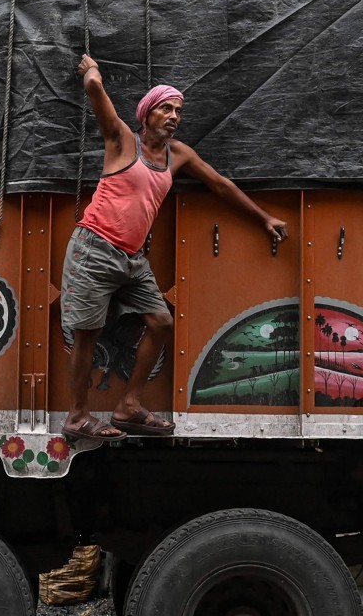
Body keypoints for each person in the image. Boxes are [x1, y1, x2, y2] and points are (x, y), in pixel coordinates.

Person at [61, 53, 288, 441]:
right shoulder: (120, 139)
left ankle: (128, 406)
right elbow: (95, 88)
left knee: (161, 322)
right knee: (87, 333)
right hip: (94, 249)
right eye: (165, 108)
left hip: (132, 259)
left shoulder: (177, 154)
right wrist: (91, 68)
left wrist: (263, 218)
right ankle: (78, 416)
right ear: (146, 114)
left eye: (178, 111)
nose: (174, 116)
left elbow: (219, 184)